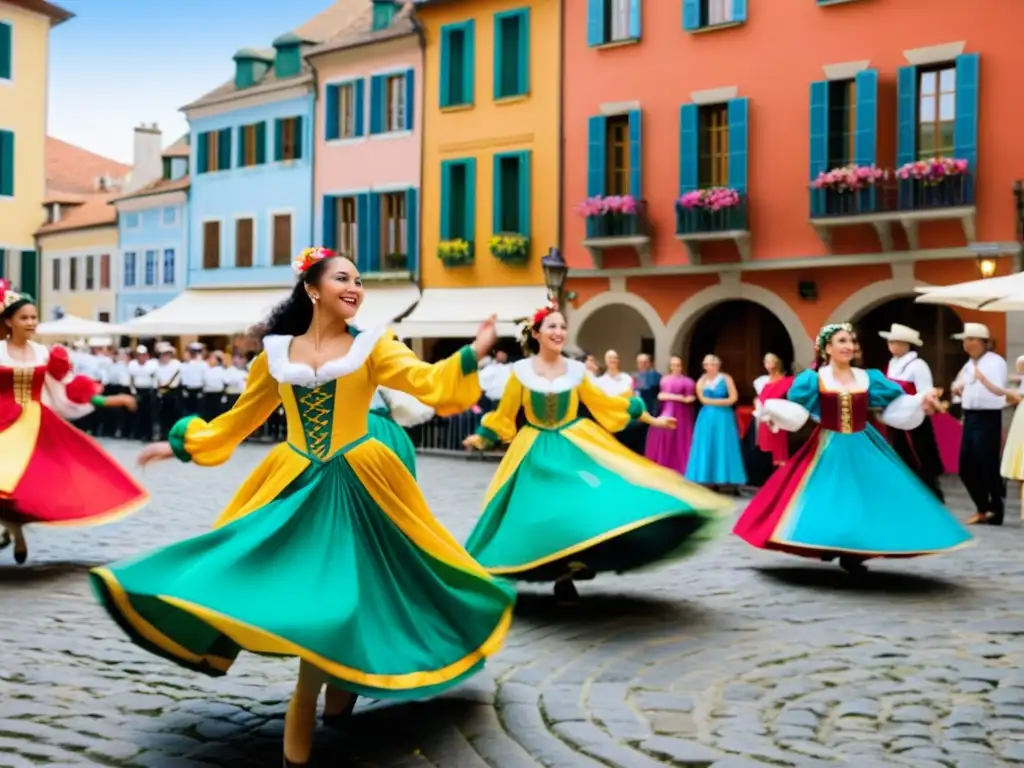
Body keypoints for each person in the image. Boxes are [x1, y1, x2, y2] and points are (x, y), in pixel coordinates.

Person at [88, 248, 515, 768]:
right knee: (287, 581)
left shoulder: (374, 347)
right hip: (295, 480)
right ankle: (323, 694)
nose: (355, 286)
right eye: (343, 278)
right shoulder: (275, 357)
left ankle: (323, 693)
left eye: (359, 280)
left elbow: (430, 384)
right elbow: (239, 420)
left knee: (351, 590)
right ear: (312, 289)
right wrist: (181, 446)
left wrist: (473, 351)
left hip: (360, 480)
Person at [462, 302, 731, 602]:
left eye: (563, 326)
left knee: (586, 499)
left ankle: (574, 564)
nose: (559, 331)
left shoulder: (576, 372)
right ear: (536, 334)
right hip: (534, 449)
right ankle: (560, 569)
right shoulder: (521, 373)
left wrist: (651, 418)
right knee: (541, 510)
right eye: (552, 326)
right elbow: (505, 414)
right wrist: (482, 437)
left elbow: (607, 403)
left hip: (572, 443)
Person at [734, 323, 972, 574]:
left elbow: (896, 401)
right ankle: (830, 543)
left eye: (851, 341)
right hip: (828, 444)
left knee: (868, 496)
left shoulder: (867, 378)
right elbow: (798, 412)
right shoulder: (814, 380)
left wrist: (920, 399)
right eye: (842, 341)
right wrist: (773, 409)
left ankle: (853, 552)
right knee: (826, 496)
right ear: (827, 348)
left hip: (863, 442)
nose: (849, 346)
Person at [0, 280, 144, 563]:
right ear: (8, 321)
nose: (31, 323)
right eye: (24, 318)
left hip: (34, 425)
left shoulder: (44, 354)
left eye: (33, 317)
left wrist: (109, 401)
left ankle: (13, 530)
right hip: (2, 422)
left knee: (23, 487)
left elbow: (65, 387)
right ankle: (13, 531)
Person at [880, 323, 945, 501]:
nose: (891, 345)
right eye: (890, 342)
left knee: (920, 456)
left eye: (894, 342)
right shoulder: (892, 364)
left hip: (914, 418)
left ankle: (931, 495)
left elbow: (926, 392)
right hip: (895, 418)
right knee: (900, 454)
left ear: (904, 344)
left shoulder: (918, 365)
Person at [950, 323, 1007, 526]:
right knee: (966, 465)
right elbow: (958, 387)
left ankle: (996, 509)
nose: (965, 343)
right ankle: (982, 506)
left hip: (988, 416)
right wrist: (958, 390)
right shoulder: (969, 364)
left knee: (987, 462)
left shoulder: (995, 362)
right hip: (971, 416)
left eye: (968, 339)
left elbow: (999, 391)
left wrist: (981, 381)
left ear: (979, 341)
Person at [686, 355, 747, 491]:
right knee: (707, 445)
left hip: (724, 417)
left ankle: (730, 481)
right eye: (707, 364)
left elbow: (733, 398)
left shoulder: (726, 378)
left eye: (712, 364)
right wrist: (719, 402)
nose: (709, 367)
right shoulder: (701, 380)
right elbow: (702, 399)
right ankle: (708, 479)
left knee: (725, 445)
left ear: (718, 365)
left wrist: (714, 402)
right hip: (707, 417)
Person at [644, 354, 696, 474]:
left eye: (678, 365)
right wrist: (679, 397)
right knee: (664, 434)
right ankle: (663, 464)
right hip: (667, 410)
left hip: (683, 414)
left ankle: (681, 466)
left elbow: (690, 399)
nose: (675, 367)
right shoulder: (665, 379)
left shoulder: (688, 381)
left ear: (682, 366)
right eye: (673, 365)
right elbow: (661, 395)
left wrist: (673, 397)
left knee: (681, 438)